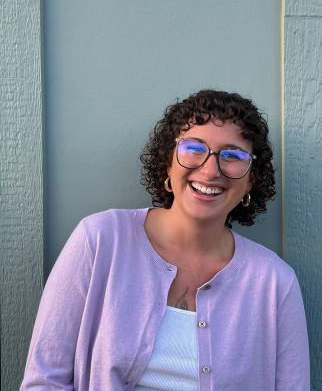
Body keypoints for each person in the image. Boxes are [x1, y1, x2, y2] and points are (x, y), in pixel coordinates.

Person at [20, 89, 310, 390]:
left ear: (251, 180)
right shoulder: (99, 240)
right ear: (168, 164)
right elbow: (45, 380)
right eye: (193, 148)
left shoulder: (276, 283)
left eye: (233, 156)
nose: (210, 170)